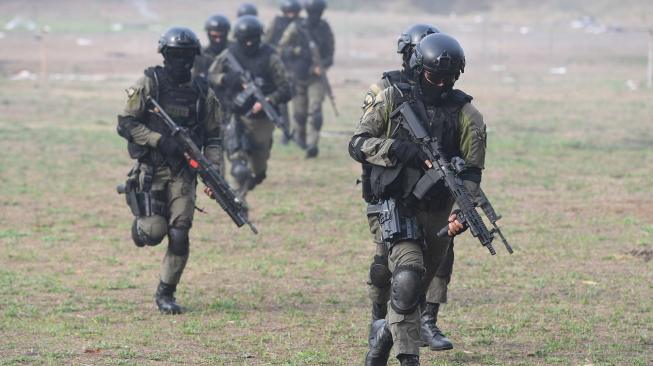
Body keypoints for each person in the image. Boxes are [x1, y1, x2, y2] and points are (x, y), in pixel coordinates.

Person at [350, 33, 487, 365]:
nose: (440, 84)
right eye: (433, 76)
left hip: (438, 212)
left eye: (448, 78)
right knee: (406, 275)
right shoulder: (391, 99)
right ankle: (407, 357)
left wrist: (461, 213)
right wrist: (397, 149)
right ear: (416, 67)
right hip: (395, 204)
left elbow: (471, 174)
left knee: (411, 293)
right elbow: (358, 144)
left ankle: (383, 336)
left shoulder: (468, 115)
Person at [361, 24, 456, 362]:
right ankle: (380, 321)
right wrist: (398, 154)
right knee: (387, 269)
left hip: (434, 197)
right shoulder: (386, 91)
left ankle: (426, 321)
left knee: (437, 259)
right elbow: (362, 143)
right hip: (392, 194)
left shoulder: (452, 104)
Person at [116, 27, 223, 314]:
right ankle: (140, 227)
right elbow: (125, 123)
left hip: (184, 174)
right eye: (175, 55)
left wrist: (213, 172)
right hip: (152, 168)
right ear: (164, 55)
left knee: (180, 232)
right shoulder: (149, 83)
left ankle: (166, 292)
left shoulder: (203, 92)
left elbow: (213, 137)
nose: (181, 61)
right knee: (153, 233)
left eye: (186, 56)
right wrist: (159, 140)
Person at [207, 15, 291, 206]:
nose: (248, 44)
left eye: (252, 39)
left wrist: (268, 100)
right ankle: (238, 202)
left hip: (261, 119)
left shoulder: (270, 57)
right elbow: (212, 75)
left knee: (258, 167)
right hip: (234, 113)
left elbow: (286, 88)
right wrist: (227, 79)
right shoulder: (229, 54)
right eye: (245, 40)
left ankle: (254, 179)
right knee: (239, 163)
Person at [277, 0, 334, 158]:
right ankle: (300, 137)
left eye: (318, 13)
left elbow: (330, 54)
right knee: (299, 113)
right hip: (298, 76)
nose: (315, 16)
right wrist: (298, 51)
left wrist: (321, 66)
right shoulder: (296, 27)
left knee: (315, 112)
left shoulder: (324, 28)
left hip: (316, 77)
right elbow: (281, 49)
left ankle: (312, 145)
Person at [264, 0, 302, 145]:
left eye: (293, 12)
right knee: (282, 103)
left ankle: (299, 135)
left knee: (300, 106)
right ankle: (286, 134)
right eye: (288, 12)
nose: (290, 15)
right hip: (279, 66)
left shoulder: (301, 24)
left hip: (297, 68)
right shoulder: (277, 22)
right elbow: (267, 42)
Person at [193, 14, 231, 79]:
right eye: (214, 36)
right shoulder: (201, 55)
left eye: (221, 36)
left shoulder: (235, 52)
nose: (218, 40)